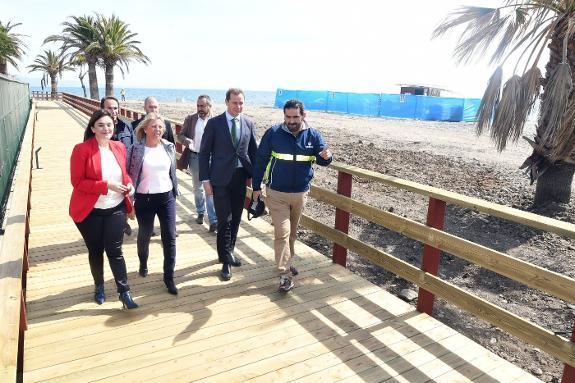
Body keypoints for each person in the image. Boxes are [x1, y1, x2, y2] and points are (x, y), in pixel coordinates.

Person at [252, 99, 332, 292]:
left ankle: (288, 261)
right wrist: (256, 187)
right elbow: (260, 160)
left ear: (304, 115)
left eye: (295, 117)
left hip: (300, 194)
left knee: (292, 234)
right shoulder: (273, 133)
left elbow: (323, 160)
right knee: (282, 233)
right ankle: (284, 274)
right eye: (287, 117)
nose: (291, 121)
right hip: (276, 193)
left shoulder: (313, 135)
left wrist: (327, 157)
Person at [69, 109, 138, 309]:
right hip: (90, 211)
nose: (106, 128)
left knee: (115, 251)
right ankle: (99, 286)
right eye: (100, 125)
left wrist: (129, 185)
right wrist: (106, 185)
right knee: (96, 251)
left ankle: (124, 292)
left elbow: (124, 175)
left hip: (116, 207)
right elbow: (77, 182)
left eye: (109, 124)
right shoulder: (81, 150)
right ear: (93, 128)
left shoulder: (118, 147)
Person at [199, 88, 258, 281]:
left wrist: (257, 181)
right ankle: (225, 260)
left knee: (236, 219)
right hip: (220, 178)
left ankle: (228, 252)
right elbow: (204, 153)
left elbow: (253, 153)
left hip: (240, 177)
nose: (238, 106)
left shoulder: (248, 122)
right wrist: (205, 180)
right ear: (226, 102)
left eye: (241, 103)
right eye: (235, 103)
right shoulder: (215, 123)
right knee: (224, 219)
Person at [127, 112, 180, 295]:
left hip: (166, 198)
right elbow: (129, 176)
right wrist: (129, 202)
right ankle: (143, 261)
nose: (157, 130)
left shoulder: (169, 147)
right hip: (144, 198)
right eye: (153, 126)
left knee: (170, 237)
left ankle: (169, 278)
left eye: (160, 127)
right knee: (145, 235)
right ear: (145, 129)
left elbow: (172, 173)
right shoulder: (136, 149)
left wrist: (175, 190)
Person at [177, 95, 217, 232]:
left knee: (210, 189)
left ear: (209, 106)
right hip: (195, 157)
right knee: (197, 188)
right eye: (198, 105)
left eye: (202, 106)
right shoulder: (191, 119)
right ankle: (200, 211)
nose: (199, 108)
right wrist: (187, 141)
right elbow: (180, 135)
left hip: (212, 159)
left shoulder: (216, 120)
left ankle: (213, 220)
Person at [101, 96, 135, 236]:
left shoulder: (126, 126)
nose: (113, 111)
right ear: (102, 109)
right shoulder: (97, 128)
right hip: (106, 172)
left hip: (124, 171)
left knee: (126, 198)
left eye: (115, 108)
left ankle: (123, 222)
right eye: (109, 108)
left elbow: (133, 148)